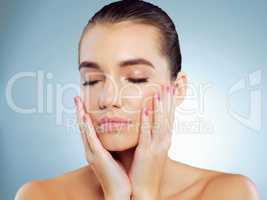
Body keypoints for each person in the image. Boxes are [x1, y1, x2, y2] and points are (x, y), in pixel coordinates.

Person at [15, 0, 259, 199]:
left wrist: (145, 194)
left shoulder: (227, 193)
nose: (108, 99)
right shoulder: (40, 195)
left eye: (136, 78)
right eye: (91, 79)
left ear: (178, 89)